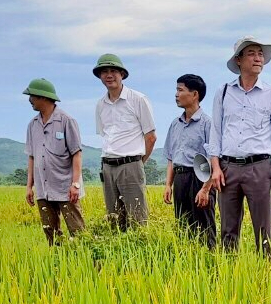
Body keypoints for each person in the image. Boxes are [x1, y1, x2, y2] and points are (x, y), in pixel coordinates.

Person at [203, 37, 271, 253]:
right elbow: (216, 131)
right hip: (227, 167)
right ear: (238, 60)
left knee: (263, 228)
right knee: (228, 230)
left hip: (259, 167)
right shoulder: (223, 92)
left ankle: (265, 276)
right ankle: (230, 276)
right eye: (252, 53)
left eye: (260, 54)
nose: (258, 58)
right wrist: (215, 167)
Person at [92, 53, 157, 231]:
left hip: (130, 164)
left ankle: (140, 255)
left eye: (113, 71)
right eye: (104, 72)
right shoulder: (100, 105)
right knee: (113, 219)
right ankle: (116, 256)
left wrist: (138, 163)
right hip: (107, 165)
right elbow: (104, 135)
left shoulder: (138, 100)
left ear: (122, 74)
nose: (108, 75)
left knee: (137, 219)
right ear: (100, 76)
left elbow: (150, 136)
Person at [22, 78, 83, 245]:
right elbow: (32, 157)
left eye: (32, 96)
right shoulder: (32, 125)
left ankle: (87, 264)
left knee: (77, 230)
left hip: (65, 187)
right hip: (43, 188)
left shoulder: (66, 121)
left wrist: (75, 184)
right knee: (50, 231)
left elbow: (76, 153)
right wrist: (29, 187)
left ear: (43, 97)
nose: (30, 101)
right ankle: (58, 263)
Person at [163, 74, 217, 246]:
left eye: (180, 90)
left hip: (200, 177)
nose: (176, 94)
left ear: (195, 94)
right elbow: (171, 157)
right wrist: (168, 185)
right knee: (183, 224)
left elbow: (213, 158)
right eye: (176, 90)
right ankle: (187, 260)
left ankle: (210, 261)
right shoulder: (175, 124)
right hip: (180, 177)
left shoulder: (207, 124)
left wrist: (206, 189)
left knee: (204, 224)